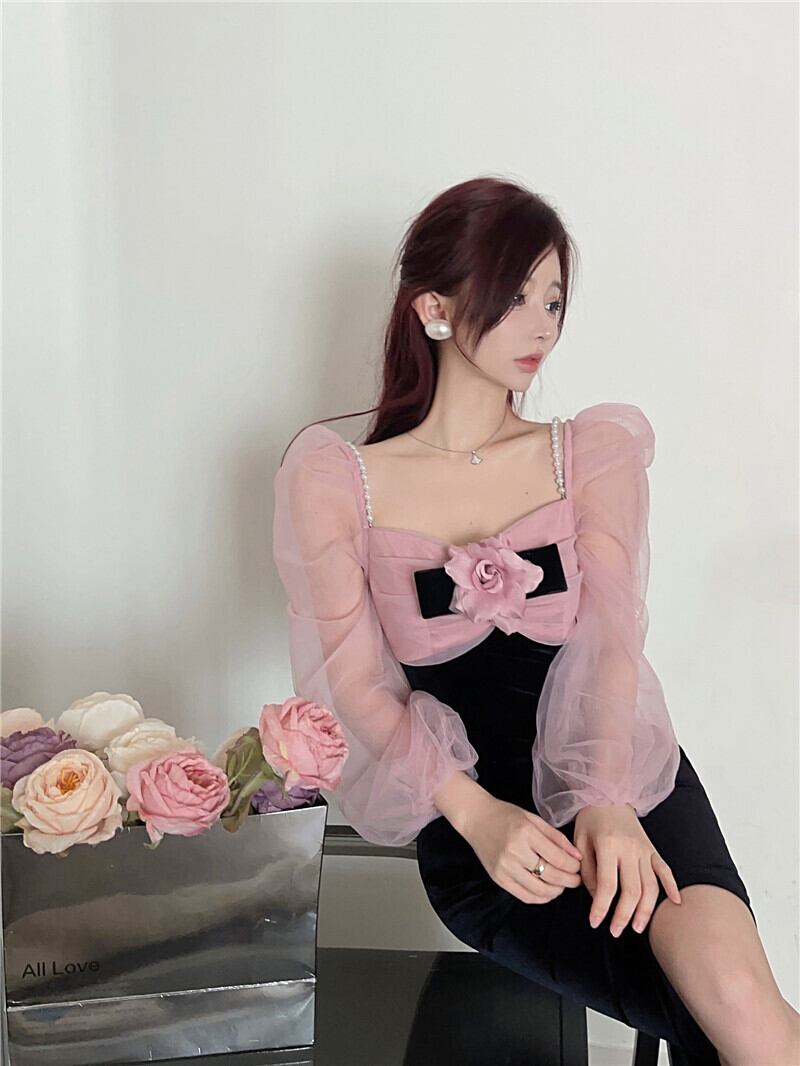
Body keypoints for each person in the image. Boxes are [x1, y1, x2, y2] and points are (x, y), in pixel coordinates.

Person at [272, 176, 800, 1065]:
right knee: (710, 1018)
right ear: (434, 308)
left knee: (743, 1008)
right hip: (477, 821)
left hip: (623, 778)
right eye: (514, 296)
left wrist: (606, 800)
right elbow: (356, 689)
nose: (541, 326)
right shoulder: (338, 482)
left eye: (553, 300)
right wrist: (480, 818)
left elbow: (613, 643)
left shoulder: (589, 453)